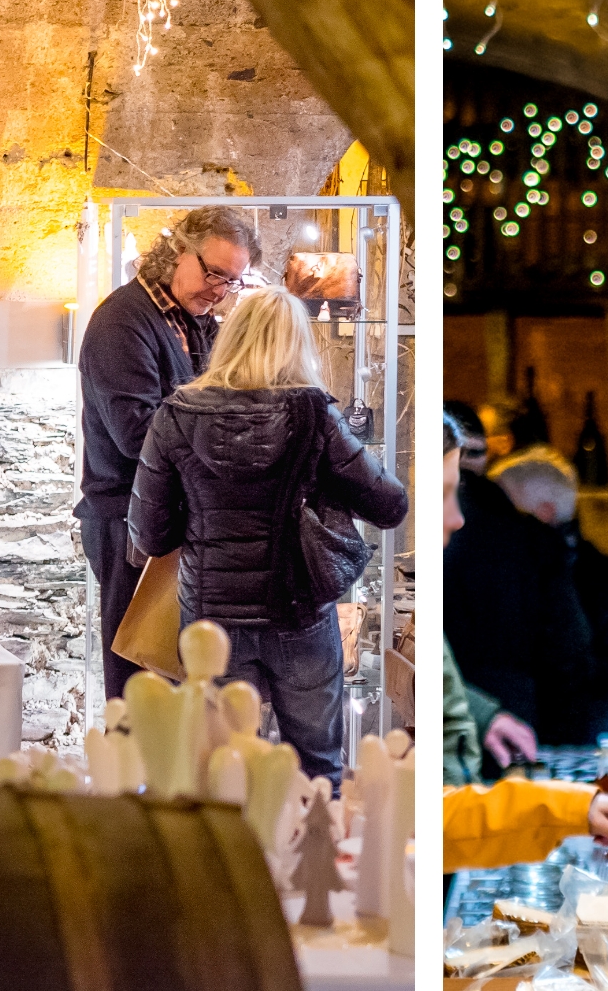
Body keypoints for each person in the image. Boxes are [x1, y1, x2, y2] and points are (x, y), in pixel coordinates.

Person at [128, 290, 408, 780]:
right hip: (298, 613)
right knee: (317, 767)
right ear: (298, 345)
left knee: (224, 768)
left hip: (210, 622)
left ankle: (240, 858)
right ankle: (314, 854)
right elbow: (390, 504)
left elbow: (151, 534)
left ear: (230, 340)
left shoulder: (176, 413)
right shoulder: (315, 414)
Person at [439, 424, 608, 869]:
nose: (460, 519)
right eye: (447, 495)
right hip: (527, 741)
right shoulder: (535, 549)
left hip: (510, 760)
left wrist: (485, 712)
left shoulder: (580, 565)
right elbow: (577, 655)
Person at [77, 206, 259, 699]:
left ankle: (172, 773)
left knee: (176, 673)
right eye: (214, 273)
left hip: (171, 514)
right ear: (178, 250)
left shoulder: (191, 319)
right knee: (139, 671)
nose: (219, 291)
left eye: (232, 281)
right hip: (125, 519)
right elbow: (136, 434)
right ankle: (130, 773)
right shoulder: (121, 322)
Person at [445, 441, 605, 751]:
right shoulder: (534, 543)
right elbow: (568, 650)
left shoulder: (457, 527)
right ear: (546, 512)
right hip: (514, 727)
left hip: (457, 716)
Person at [492, 450, 608, 744]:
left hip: (566, 735)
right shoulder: (592, 566)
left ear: (543, 512)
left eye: (505, 511)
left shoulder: (581, 571)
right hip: (553, 730)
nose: (493, 524)